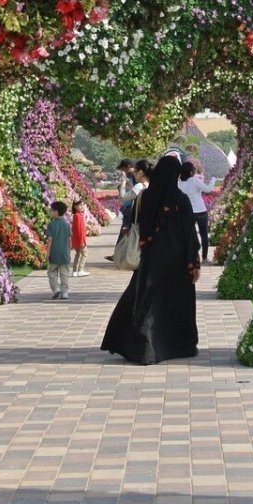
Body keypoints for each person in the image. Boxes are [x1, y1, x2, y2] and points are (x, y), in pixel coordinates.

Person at [101, 155, 201, 364]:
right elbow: (189, 233)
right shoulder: (180, 200)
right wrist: (193, 262)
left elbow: (141, 225)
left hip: (151, 258)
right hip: (176, 261)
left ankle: (143, 348)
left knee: (146, 300)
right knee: (173, 303)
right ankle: (175, 345)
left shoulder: (146, 197)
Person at [178, 161, 214, 263]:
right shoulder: (194, 180)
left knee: (188, 236)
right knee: (204, 235)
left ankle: (187, 257)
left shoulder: (180, 184)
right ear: (190, 172)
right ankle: (205, 258)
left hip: (188, 212)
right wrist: (213, 180)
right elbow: (208, 189)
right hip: (200, 211)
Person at [45, 201, 73, 300]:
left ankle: (56, 289)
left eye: (51, 210)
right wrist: (69, 251)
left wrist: (48, 253)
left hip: (54, 253)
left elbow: (50, 239)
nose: (50, 212)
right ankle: (65, 292)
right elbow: (70, 239)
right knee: (64, 273)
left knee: (52, 272)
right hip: (65, 253)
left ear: (56, 212)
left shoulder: (51, 225)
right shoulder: (67, 224)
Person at [70, 199, 89, 277]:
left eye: (82, 205)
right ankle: (80, 270)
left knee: (78, 254)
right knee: (84, 254)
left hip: (77, 239)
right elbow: (79, 230)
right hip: (80, 240)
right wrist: (82, 241)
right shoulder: (78, 216)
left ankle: (74, 271)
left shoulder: (78, 215)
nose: (82, 207)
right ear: (75, 206)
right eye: (80, 205)